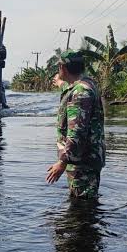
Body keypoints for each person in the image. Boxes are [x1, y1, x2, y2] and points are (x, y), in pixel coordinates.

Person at [46, 50, 106, 199]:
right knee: (83, 206)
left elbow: (77, 132)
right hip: (86, 161)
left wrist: (62, 162)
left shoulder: (80, 93)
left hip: (82, 164)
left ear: (63, 68)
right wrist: (61, 83)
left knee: (82, 209)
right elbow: (71, 90)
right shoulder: (86, 84)